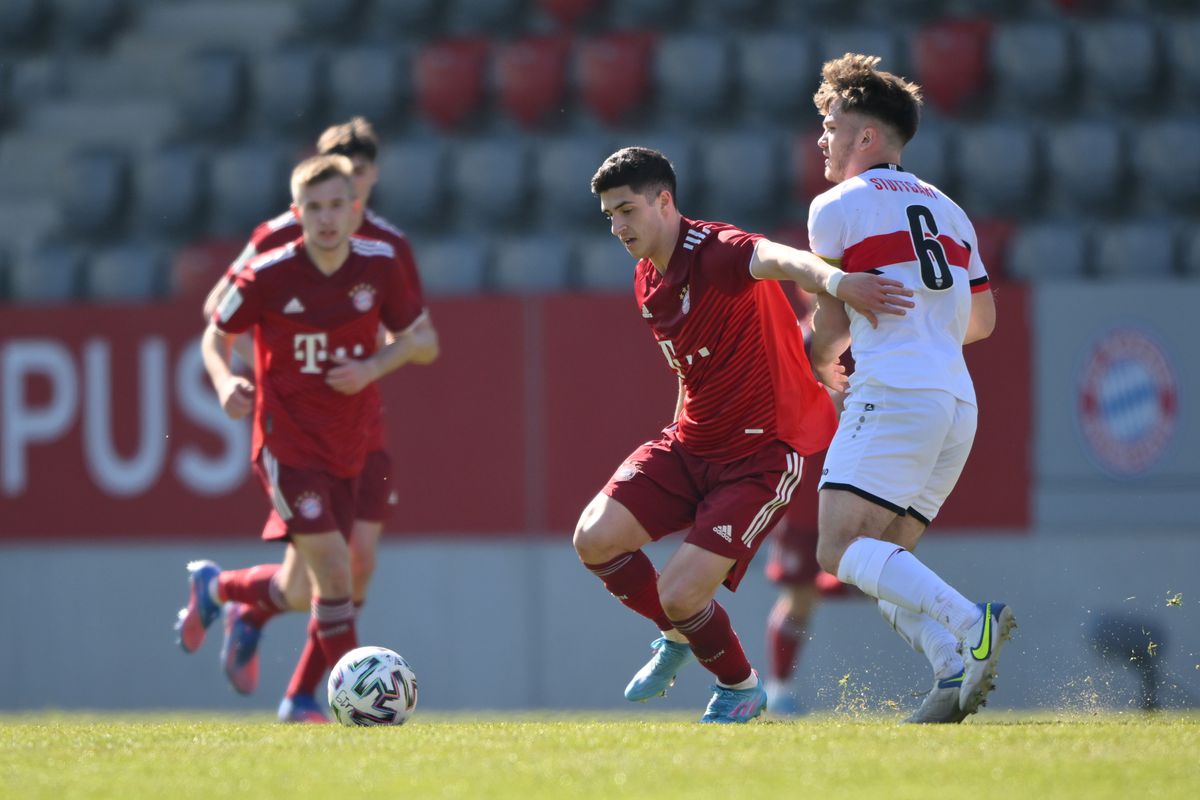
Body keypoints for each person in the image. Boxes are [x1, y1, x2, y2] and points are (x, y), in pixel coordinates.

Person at [573, 146, 914, 723]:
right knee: (594, 538)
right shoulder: (645, 278)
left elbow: (782, 258)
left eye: (627, 210)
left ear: (664, 201)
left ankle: (741, 689)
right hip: (690, 442)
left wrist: (839, 282)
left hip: (759, 455)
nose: (618, 226)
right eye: (609, 215)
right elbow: (689, 367)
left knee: (683, 593)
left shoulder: (716, 250)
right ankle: (679, 635)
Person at [187, 118, 438, 721]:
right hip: (291, 436)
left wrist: (373, 366)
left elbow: (422, 340)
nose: (333, 207)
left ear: (367, 185)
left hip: (358, 433)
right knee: (335, 569)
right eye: (318, 198)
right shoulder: (274, 248)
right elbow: (216, 319)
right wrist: (248, 377)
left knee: (325, 582)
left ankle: (227, 593)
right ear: (299, 203)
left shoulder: (384, 252)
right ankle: (330, 705)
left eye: (350, 185)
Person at [804, 53, 1014, 724]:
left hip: (893, 393)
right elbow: (981, 321)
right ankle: (950, 669)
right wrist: (926, 330)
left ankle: (971, 622)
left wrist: (809, 362)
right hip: (955, 402)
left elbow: (830, 320)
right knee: (882, 556)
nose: (823, 141)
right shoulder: (950, 212)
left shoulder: (836, 207)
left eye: (833, 125)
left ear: (867, 137)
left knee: (838, 549)